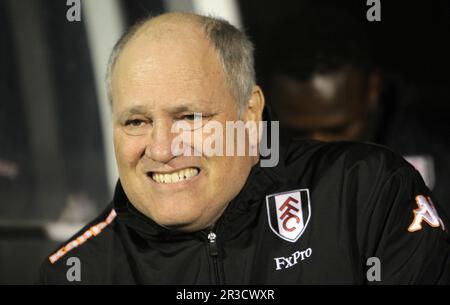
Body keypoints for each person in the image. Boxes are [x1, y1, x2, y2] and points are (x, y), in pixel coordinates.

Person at [38, 12, 450, 284]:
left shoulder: (367, 192)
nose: (161, 148)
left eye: (190, 118)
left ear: (250, 112)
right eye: (136, 122)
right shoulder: (74, 273)